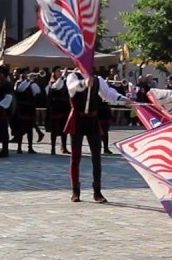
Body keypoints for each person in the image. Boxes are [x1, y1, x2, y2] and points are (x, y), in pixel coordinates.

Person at [65, 69, 130, 203]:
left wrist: (124, 100)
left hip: (92, 120)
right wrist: (84, 83)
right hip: (77, 119)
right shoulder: (73, 76)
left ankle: (97, 191)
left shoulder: (98, 80)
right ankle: (75, 191)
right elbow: (72, 87)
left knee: (96, 157)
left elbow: (109, 95)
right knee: (75, 157)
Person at [10, 68, 41, 154]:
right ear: (22, 74)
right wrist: (27, 80)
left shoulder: (31, 83)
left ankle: (30, 147)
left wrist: (31, 82)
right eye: (25, 73)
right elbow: (20, 89)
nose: (27, 74)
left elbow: (37, 91)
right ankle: (19, 147)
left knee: (30, 129)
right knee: (20, 129)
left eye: (28, 73)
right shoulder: (18, 82)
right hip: (21, 108)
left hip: (30, 108)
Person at [45, 68, 71, 155]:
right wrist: (63, 76)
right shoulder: (52, 83)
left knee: (64, 128)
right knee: (54, 129)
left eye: (60, 71)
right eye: (58, 71)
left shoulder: (64, 81)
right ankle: (53, 148)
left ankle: (64, 147)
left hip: (64, 107)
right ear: (53, 73)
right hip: (55, 108)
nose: (60, 73)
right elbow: (57, 85)